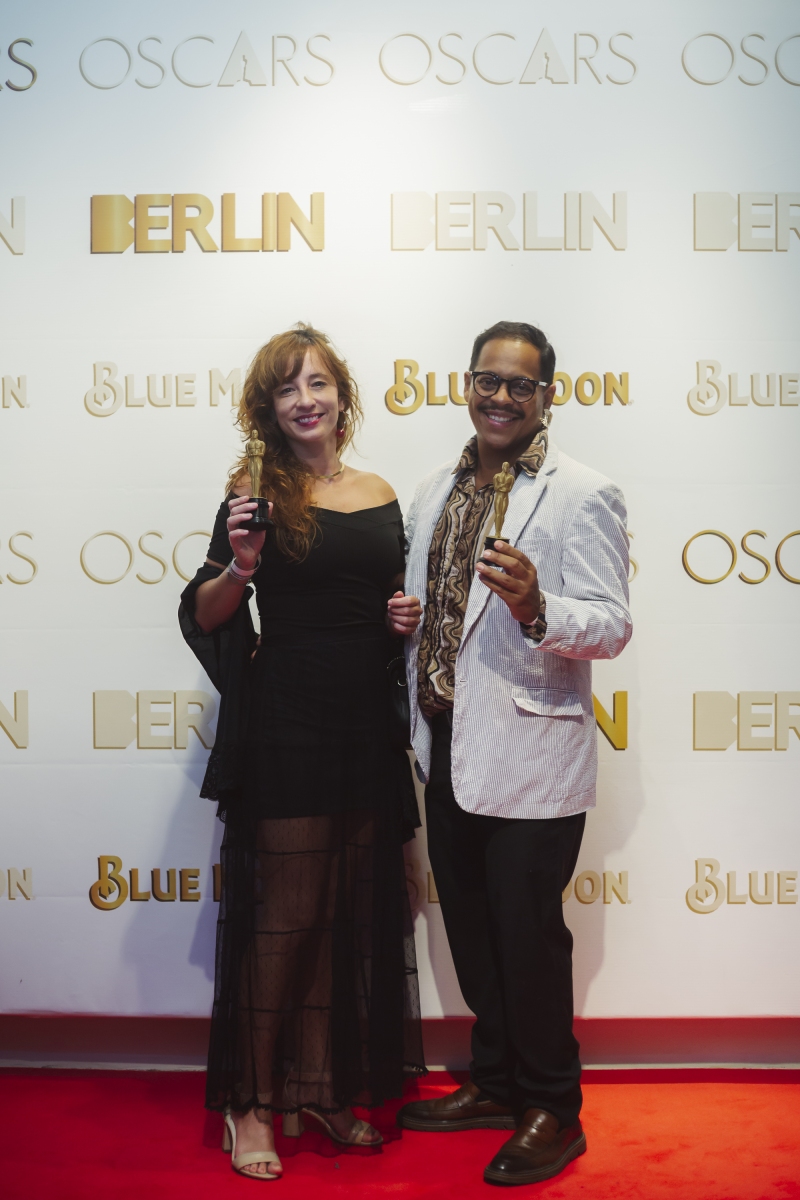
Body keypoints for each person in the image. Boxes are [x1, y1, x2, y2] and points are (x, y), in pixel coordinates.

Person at [179, 324, 425, 1180]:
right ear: (268, 408)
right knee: (283, 921)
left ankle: (319, 1086)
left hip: (365, 724)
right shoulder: (254, 492)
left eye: (318, 383)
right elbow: (204, 613)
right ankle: (249, 1104)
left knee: (346, 917)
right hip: (287, 722)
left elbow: (387, 598)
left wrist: (403, 616)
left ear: (342, 397)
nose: (305, 399)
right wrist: (241, 569)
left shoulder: (380, 492)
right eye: (288, 388)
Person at [396, 321, 631, 1186]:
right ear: (467, 385)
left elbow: (611, 624)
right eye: (487, 380)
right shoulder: (435, 490)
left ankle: (553, 1109)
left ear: (546, 396)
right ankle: (496, 1084)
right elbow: (437, 607)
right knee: (472, 930)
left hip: (533, 755)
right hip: (446, 743)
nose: (500, 397)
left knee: (528, 938)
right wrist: (403, 618)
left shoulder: (583, 493)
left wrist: (539, 608)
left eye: (519, 385)